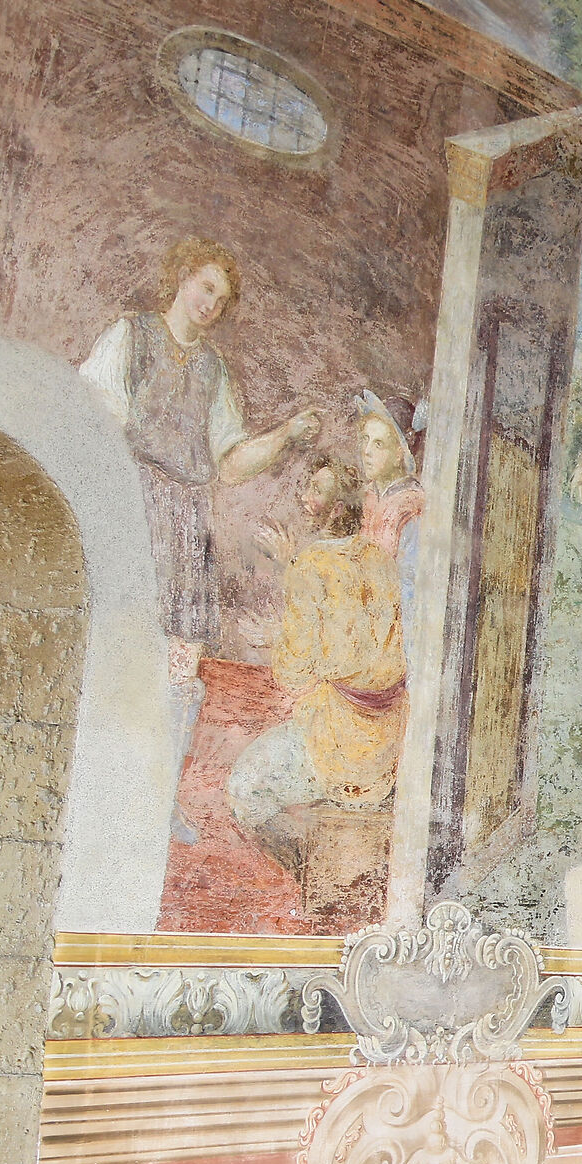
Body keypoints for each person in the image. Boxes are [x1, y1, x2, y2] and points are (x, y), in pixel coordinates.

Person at [79, 237, 321, 842]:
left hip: (187, 525)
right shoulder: (130, 337)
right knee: (115, 647)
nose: (213, 303)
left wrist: (287, 434)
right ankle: (95, 786)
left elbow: (230, 461)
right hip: (132, 511)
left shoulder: (213, 369)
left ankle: (159, 797)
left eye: (224, 297)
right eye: (206, 287)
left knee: (181, 665)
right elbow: (94, 412)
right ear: (183, 278)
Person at [227, 459, 406, 875]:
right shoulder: (376, 557)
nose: (306, 496)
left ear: (335, 506)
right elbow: (354, 642)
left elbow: (293, 674)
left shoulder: (310, 566)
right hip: (385, 732)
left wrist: (277, 632)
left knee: (242, 788)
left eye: (316, 489)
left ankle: (307, 869)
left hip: (343, 740)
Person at [353, 392, 425, 670]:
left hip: (393, 640)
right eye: (366, 440)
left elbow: (409, 591)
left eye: (379, 443)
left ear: (400, 454)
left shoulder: (411, 506)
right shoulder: (371, 496)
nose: (366, 451)